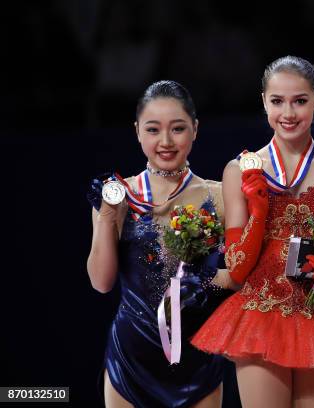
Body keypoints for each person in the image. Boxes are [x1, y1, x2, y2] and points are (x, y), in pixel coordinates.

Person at [191, 56, 314, 408]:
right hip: (260, 316)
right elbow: (236, 268)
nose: (288, 113)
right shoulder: (240, 170)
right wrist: (258, 213)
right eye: (277, 101)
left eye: (300, 101)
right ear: (263, 101)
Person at [87, 80, 232, 408]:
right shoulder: (119, 195)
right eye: (153, 130)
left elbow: (241, 274)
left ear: (195, 129)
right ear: (138, 131)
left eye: (178, 128)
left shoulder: (220, 196)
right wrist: (109, 216)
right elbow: (101, 282)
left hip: (199, 361)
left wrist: (207, 282)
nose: (165, 141)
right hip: (131, 362)